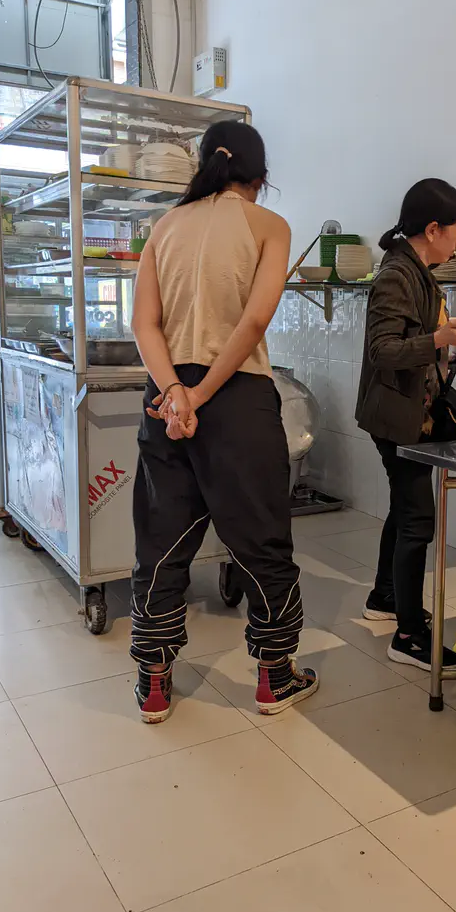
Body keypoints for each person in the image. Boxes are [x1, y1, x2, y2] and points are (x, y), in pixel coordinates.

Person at [129, 121, 317, 723]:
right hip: (235, 397)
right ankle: (273, 677)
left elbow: (144, 325)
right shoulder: (270, 226)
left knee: (161, 542)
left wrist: (176, 394)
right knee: (260, 539)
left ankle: (154, 684)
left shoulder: (164, 227)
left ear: (204, 167)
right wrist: (205, 393)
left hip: (167, 402)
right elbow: (256, 321)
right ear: (259, 177)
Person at [355, 178, 456, 673]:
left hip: (409, 410)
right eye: (455, 230)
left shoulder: (416, 262)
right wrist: (441, 337)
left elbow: (455, 252)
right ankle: (407, 636)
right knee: (418, 521)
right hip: (397, 415)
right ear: (431, 228)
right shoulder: (396, 276)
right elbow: (382, 351)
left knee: (405, 509)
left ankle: (386, 597)